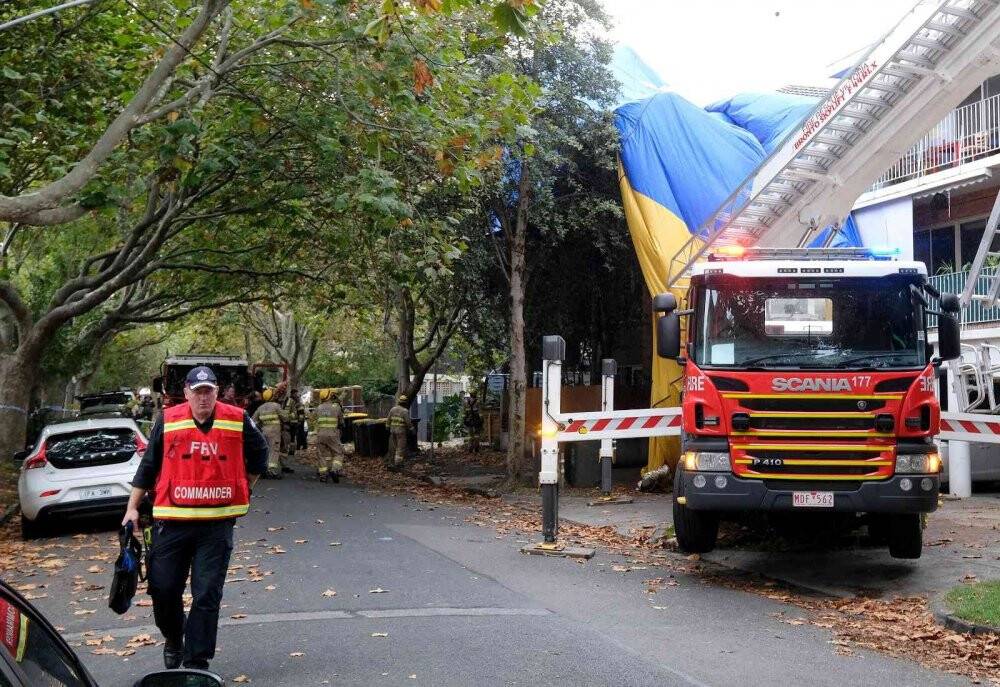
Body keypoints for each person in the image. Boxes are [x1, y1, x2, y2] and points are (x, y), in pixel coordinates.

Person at [122, 366, 268, 672]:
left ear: (217, 392)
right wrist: (132, 508)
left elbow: (260, 456)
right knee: (163, 590)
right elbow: (148, 467)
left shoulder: (238, 419)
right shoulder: (168, 420)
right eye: (197, 392)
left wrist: (244, 487)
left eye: (209, 391)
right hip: (172, 523)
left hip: (215, 525)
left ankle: (196, 663)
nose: (203, 397)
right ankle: (175, 637)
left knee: (206, 595)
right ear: (186, 393)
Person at [312, 389, 345, 482]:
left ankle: (323, 476)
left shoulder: (318, 408)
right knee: (338, 453)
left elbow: (312, 419)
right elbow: (341, 422)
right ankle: (334, 470)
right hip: (333, 435)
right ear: (330, 396)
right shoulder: (336, 407)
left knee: (321, 455)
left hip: (320, 435)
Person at [252, 385, 285, 479]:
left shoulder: (260, 408)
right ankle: (271, 471)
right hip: (274, 433)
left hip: (264, 432)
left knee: (266, 451)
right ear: (272, 396)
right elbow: (285, 418)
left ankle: (263, 469)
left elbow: (253, 421)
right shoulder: (276, 406)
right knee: (274, 451)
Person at [385, 394, 410, 472]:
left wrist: (387, 427)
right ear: (405, 403)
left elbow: (388, 420)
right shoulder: (405, 411)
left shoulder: (392, 409)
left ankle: (392, 462)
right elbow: (408, 422)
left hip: (393, 431)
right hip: (401, 432)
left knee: (395, 446)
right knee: (400, 448)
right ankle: (397, 464)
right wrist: (412, 429)